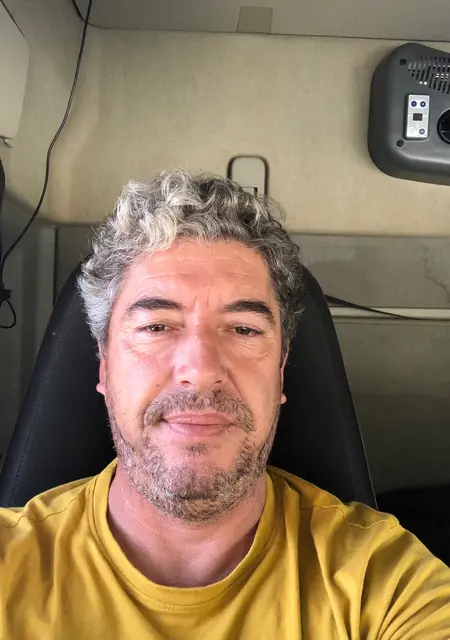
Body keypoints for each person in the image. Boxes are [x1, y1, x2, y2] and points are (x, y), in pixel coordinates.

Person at [0, 169, 449, 639]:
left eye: (243, 329)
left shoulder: (383, 580)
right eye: (156, 326)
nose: (201, 369)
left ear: (280, 371)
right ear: (105, 368)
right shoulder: (11, 564)